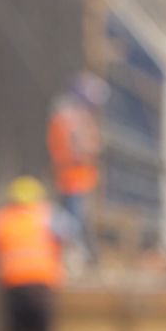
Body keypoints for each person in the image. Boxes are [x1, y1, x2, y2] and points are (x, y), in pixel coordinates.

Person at [0, 176, 64, 331]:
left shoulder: (0, 219)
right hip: (40, 282)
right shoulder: (47, 215)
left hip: (13, 283)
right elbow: (68, 234)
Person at [47, 72, 107, 265]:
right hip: (73, 180)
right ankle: (76, 260)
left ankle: (84, 258)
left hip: (79, 180)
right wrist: (91, 148)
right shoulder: (69, 119)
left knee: (79, 222)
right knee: (73, 224)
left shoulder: (73, 117)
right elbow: (76, 150)